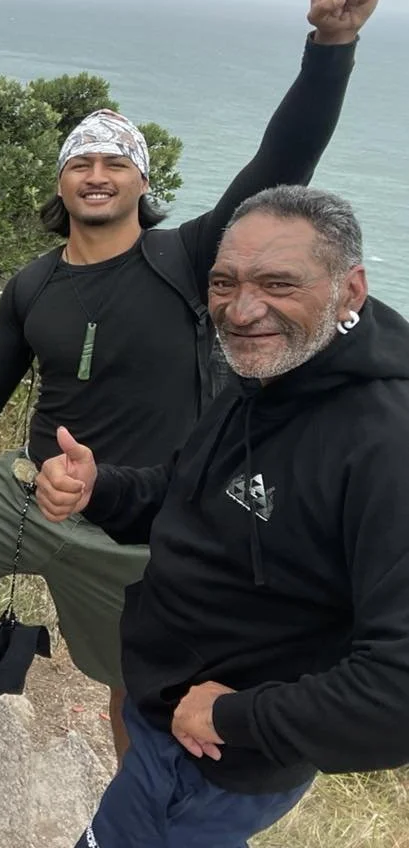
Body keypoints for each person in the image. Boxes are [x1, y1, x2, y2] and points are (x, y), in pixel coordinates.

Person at [0, 0, 379, 760]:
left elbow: (285, 159)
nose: (95, 174)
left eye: (114, 162)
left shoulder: (189, 257)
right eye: (79, 162)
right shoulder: (32, 282)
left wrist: (330, 47)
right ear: (60, 183)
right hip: (30, 488)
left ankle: (127, 811)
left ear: (141, 181)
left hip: (138, 527)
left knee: (133, 689)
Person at [33, 186, 409, 847]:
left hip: (214, 759)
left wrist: (235, 716)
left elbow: (396, 693)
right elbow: (189, 492)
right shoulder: (268, 371)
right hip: (168, 716)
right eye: (223, 282)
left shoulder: (385, 445)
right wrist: (101, 489)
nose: (241, 309)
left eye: (276, 283)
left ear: (349, 289)